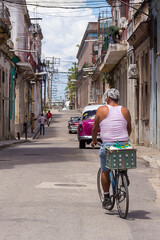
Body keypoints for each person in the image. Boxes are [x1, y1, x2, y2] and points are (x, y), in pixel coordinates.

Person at [91, 88, 132, 208]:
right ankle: (123, 172)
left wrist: (94, 140)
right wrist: (125, 139)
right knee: (123, 157)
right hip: (123, 144)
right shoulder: (125, 110)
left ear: (108, 98)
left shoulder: (101, 109)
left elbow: (95, 128)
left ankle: (107, 196)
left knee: (105, 171)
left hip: (108, 145)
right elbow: (128, 128)